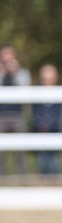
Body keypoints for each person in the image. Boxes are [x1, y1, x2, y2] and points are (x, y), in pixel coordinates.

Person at [0, 44, 32, 175]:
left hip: (17, 115)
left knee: (20, 151)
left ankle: (21, 177)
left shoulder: (22, 73)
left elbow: (26, 89)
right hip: (1, 116)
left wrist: (15, 72)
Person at [30, 63, 62, 176]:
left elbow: (59, 113)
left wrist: (51, 123)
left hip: (55, 129)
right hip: (40, 130)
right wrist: (41, 124)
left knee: (53, 161)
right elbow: (35, 111)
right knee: (42, 160)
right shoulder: (35, 93)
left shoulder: (61, 93)